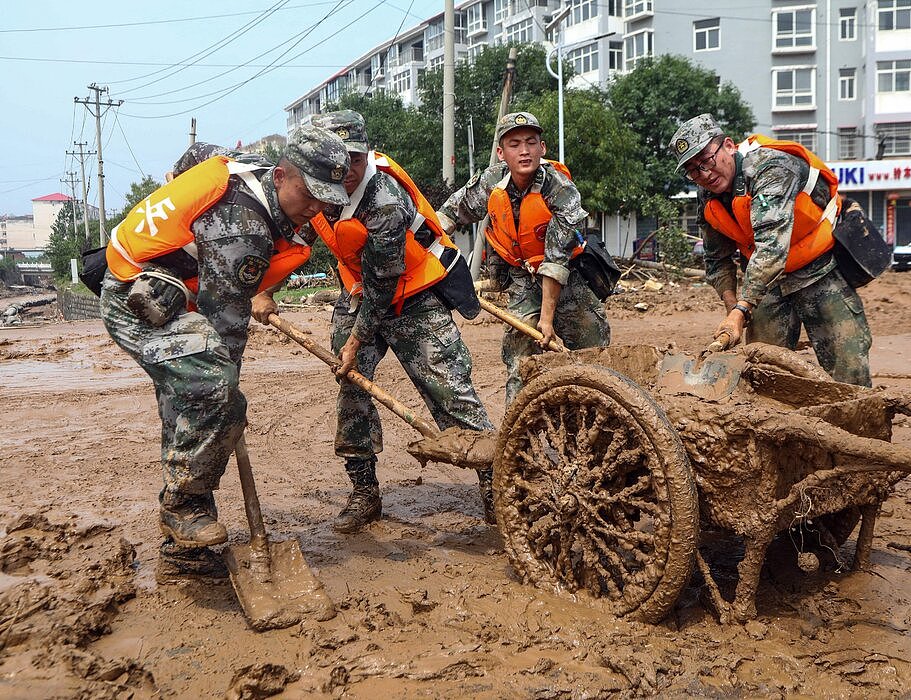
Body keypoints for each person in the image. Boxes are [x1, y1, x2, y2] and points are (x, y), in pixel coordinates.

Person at [99, 126, 352, 583]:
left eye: (326, 196)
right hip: (133, 297)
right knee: (213, 392)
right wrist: (224, 399)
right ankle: (183, 508)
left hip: (179, 300)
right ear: (280, 176)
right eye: (309, 193)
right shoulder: (244, 228)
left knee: (195, 405)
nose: (317, 206)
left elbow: (199, 155)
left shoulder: (258, 183)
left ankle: (183, 557)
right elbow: (225, 329)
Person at [252, 110, 496, 530]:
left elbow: (383, 285)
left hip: (411, 295)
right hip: (358, 293)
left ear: (367, 155)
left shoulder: (383, 200)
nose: (348, 172)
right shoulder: (318, 187)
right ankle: (364, 491)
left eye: (357, 160)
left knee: (452, 393)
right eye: (340, 162)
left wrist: (356, 340)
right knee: (351, 389)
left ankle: (497, 487)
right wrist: (266, 289)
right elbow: (298, 237)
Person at [669, 113, 873, 386]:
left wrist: (741, 310)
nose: (704, 174)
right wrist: (732, 309)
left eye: (706, 160)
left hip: (819, 272)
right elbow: (716, 259)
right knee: (764, 372)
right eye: (693, 170)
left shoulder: (771, 168)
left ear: (728, 146)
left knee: (848, 371)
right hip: (768, 285)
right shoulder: (707, 196)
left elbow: (772, 247)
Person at [437, 111, 610, 403]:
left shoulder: (560, 188)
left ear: (542, 149)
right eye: (515, 144)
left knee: (591, 350)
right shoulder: (490, 182)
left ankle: (599, 414)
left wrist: (546, 320)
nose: (525, 150)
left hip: (569, 276)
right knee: (521, 357)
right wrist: (426, 247)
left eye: (531, 142)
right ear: (501, 153)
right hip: (523, 277)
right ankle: (517, 433)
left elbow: (556, 261)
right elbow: (448, 215)